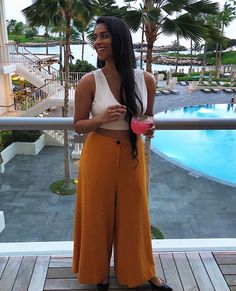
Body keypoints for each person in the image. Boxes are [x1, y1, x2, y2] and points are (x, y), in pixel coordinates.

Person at [72, 16, 172, 291]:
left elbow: (148, 117)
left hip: (131, 153)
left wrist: (149, 128)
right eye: (96, 37)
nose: (97, 42)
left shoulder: (146, 80)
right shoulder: (89, 81)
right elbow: (79, 125)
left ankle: (143, 271)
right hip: (98, 152)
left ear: (120, 39)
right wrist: (100, 119)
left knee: (134, 215)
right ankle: (98, 273)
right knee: (96, 214)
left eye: (104, 35)